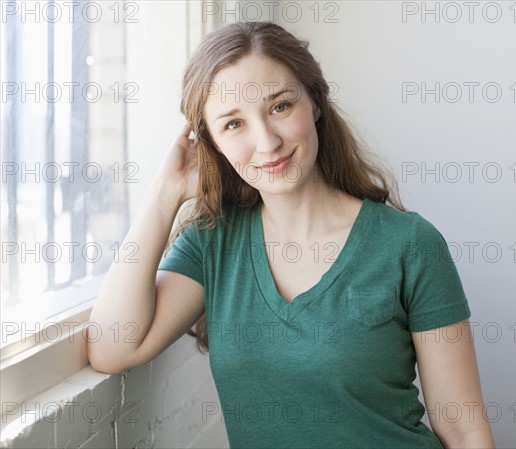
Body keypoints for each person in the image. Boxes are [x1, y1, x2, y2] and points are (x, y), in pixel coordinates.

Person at [88, 21, 495, 449]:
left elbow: (464, 429)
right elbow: (113, 347)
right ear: (213, 144)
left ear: (315, 102)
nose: (267, 142)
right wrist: (164, 192)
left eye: (280, 106)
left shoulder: (410, 245)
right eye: (233, 124)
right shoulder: (213, 243)